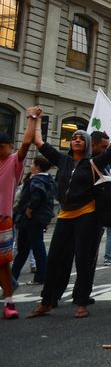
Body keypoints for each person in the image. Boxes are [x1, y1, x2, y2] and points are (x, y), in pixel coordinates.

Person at [27, 109, 111, 319]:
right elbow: (39, 142)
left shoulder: (93, 163)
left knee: (82, 259)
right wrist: (36, 119)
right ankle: (46, 302)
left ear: (87, 144)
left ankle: (81, 303)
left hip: (86, 214)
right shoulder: (63, 160)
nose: (77, 140)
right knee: (54, 260)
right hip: (64, 215)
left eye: (81, 138)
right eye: (74, 138)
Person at [0, 108, 36, 319]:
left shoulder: (14, 162)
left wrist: (32, 118)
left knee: (3, 263)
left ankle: (9, 301)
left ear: (9, 147)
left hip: (3, 219)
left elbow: (26, 144)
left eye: (2, 147)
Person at [11, 156, 56, 288]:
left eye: (32, 164)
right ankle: (13, 277)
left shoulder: (37, 180)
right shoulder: (49, 180)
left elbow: (38, 194)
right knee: (32, 247)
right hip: (39, 218)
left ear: (37, 166)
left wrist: (29, 209)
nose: (30, 166)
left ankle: (39, 275)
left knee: (29, 248)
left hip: (31, 219)